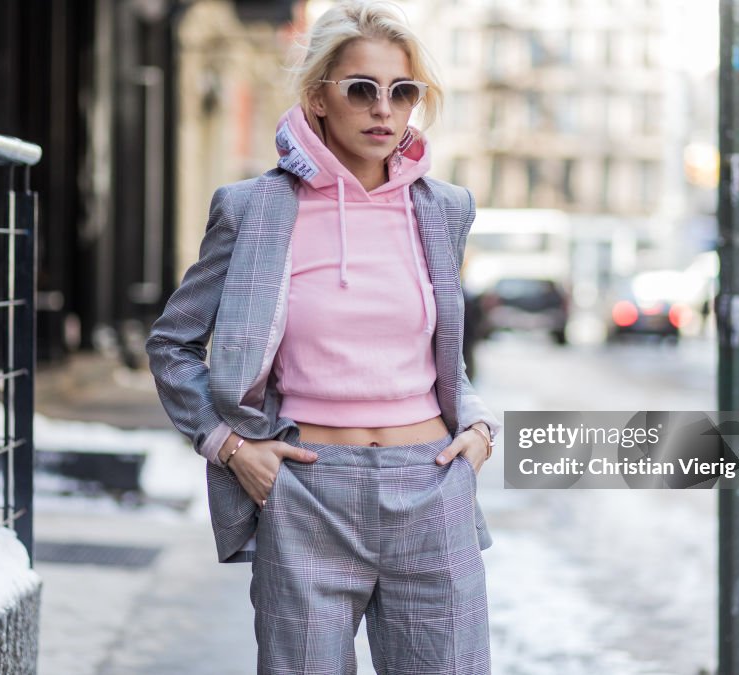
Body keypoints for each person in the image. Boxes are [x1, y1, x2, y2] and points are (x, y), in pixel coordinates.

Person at [146, 1, 500, 672]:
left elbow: (441, 355)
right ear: (317, 98)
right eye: (361, 89)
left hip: (430, 488)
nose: (383, 110)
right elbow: (173, 343)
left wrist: (478, 427)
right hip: (307, 494)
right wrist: (227, 445)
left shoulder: (444, 209)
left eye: (403, 92)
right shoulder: (254, 209)